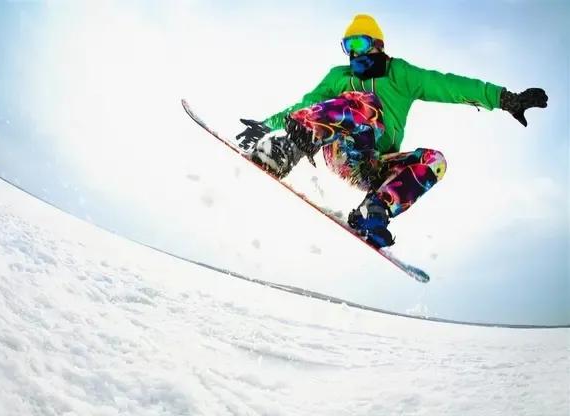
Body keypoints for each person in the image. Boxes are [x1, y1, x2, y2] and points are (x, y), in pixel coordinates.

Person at [235, 14, 548, 248]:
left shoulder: (401, 74)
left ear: (377, 44)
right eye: (347, 46)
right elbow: (306, 106)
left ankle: (375, 210)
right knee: (363, 103)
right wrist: (267, 125)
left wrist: (504, 98)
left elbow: (448, 84)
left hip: (373, 167)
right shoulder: (338, 77)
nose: (353, 53)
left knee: (434, 160)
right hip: (338, 150)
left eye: (359, 44)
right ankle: (284, 153)